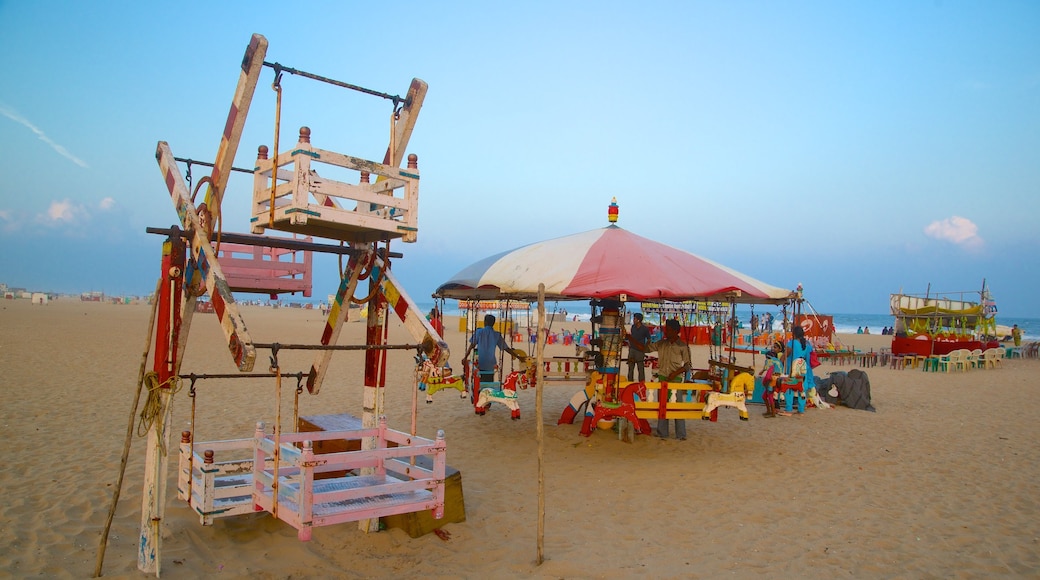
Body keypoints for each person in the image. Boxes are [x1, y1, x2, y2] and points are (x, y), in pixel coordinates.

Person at [645, 319, 691, 440]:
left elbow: (687, 365)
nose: (666, 331)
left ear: (675, 331)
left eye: (668, 329)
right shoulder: (662, 344)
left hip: (675, 380)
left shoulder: (682, 346)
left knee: (677, 407)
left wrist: (676, 372)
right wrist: (630, 339)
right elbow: (646, 349)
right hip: (663, 378)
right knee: (662, 406)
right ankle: (662, 432)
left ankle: (681, 434)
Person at [463, 314, 516, 383]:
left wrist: (465, 357)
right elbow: (505, 348)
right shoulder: (496, 334)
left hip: (480, 363)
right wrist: (516, 355)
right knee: (489, 382)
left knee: (478, 382)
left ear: (485, 322)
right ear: (493, 323)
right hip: (490, 364)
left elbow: (471, 346)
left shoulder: (479, 332)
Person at [785, 325, 815, 415]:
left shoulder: (792, 343)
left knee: (789, 388)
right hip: (803, 369)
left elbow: (786, 354)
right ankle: (801, 409)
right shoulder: (807, 344)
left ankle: (789, 408)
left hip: (793, 369)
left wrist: (779, 362)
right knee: (801, 389)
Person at [759, 340, 785, 418]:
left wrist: (761, 371)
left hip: (773, 378)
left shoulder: (771, 359)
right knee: (766, 396)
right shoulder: (777, 359)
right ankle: (770, 411)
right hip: (777, 377)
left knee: (769, 396)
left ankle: (772, 412)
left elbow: (766, 367)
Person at [626, 313, 651, 382]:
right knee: (630, 367)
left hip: (640, 351)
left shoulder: (645, 329)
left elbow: (649, 339)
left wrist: (645, 348)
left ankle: (641, 382)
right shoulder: (633, 327)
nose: (633, 320)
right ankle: (630, 381)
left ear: (638, 320)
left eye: (635, 319)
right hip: (632, 349)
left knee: (640, 367)